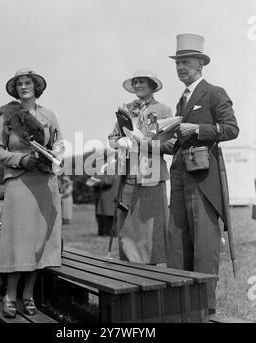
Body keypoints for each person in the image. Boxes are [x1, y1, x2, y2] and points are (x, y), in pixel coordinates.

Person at [166, 34, 239, 314]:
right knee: (178, 240)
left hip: (204, 178)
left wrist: (196, 130)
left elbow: (231, 129)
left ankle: (205, 308)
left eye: (186, 62)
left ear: (200, 65)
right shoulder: (181, 100)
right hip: (181, 174)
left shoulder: (214, 92)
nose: (181, 67)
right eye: (178, 63)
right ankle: (180, 304)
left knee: (205, 243)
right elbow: (181, 137)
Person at [0, 68, 65, 318]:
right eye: (19, 84)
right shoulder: (8, 115)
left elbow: (60, 144)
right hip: (20, 182)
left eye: (28, 83)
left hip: (45, 183)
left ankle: (28, 295)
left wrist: (57, 153)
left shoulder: (49, 114)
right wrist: (21, 160)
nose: (24, 87)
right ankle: (10, 295)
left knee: (38, 243)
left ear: (36, 88)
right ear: (15, 89)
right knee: (18, 241)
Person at [108, 70, 174, 264]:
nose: (137, 85)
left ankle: (153, 270)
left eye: (141, 82)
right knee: (128, 227)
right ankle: (129, 269)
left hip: (152, 176)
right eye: (135, 82)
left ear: (152, 85)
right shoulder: (125, 109)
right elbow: (112, 137)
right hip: (128, 175)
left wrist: (143, 142)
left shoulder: (163, 110)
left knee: (152, 227)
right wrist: (118, 141)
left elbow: (171, 144)